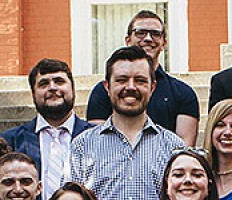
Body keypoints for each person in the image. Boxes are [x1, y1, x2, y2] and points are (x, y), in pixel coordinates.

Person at [69, 46, 184, 200]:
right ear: (107, 86)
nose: (130, 87)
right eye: (121, 80)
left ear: (153, 87)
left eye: (140, 81)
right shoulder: (82, 146)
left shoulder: (174, 147)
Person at [85, 11, 200, 146]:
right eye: (140, 33)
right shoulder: (103, 91)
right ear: (128, 40)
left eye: (156, 34)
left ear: (164, 43)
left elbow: (184, 149)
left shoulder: (183, 93)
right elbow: (97, 142)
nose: (148, 38)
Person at [1, 59, 93, 199]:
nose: (52, 88)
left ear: (73, 89)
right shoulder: (11, 141)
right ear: (33, 94)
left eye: (59, 81)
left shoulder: (96, 136)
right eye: (44, 84)